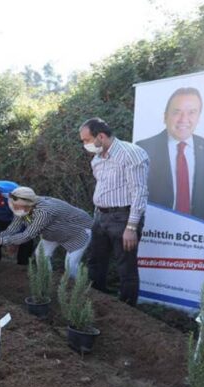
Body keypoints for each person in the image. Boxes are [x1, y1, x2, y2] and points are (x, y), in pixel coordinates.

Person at [79, 117, 149, 306]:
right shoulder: (97, 159)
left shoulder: (131, 154)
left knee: (126, 268)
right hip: (101, 216)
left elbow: (139, 192)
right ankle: (96, 304)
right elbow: (103, 188)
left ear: (100, 136)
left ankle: (128, 313)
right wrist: (97, 215)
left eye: (86, 140)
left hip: (123, 218)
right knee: (95, 262)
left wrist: (131, 227)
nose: (85, 145)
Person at [136, 87, 204, 224]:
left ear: (198, 117)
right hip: (157, 233)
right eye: (177, 112)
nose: (183, 119)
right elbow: (136, 195)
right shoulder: (143, 148)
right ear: (165, 116)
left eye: (192, 112)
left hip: (196, 233)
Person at [0, 187, 93, 278]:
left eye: (18, 206)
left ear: (29, 204)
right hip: (53, 232)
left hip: (78, 231)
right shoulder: (20, 208)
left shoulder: (44, 212)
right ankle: (48, 281)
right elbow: (13, 229)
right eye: (14, 206)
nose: (15, 209)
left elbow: (27, 235)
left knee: (70, 265)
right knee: (41, 256)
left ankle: (79, 291)